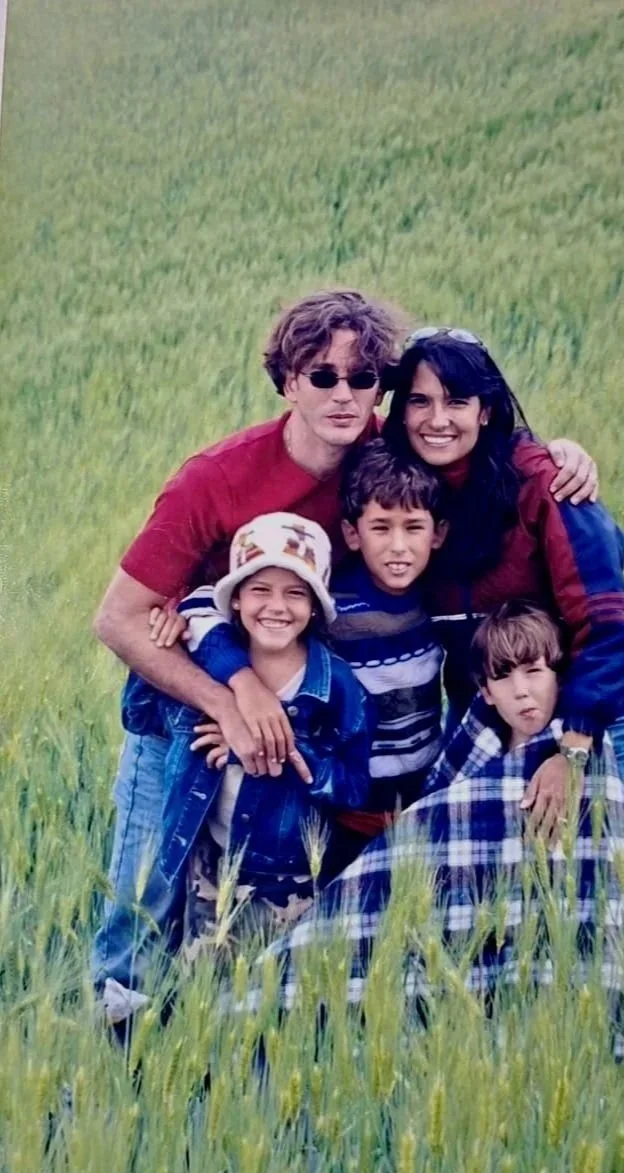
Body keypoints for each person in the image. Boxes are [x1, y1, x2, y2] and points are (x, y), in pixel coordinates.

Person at [92, 288, 597, 1004]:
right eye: (322, 375)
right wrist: (232, 697)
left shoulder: (384, 455)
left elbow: (474, 450)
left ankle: (239, 1030)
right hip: (188, 708)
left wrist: (558, 456)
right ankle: (116, 1036)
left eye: (363, 377)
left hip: (308, 727)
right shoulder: (216, 478)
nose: (343, 394)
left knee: (270, 908)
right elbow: (117, 619)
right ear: (288, 382)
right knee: (149, 891)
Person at [248, 602, 624, 1013]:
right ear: (486, 692)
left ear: (559, 675)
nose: (521, 690)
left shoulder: (584, 760)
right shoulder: (470, 751)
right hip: (466, 931)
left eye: (534, 671)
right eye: (503, 677)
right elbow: (430, 830)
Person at [382, 327, 624, 824]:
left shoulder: (546, 483)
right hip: (479, 718)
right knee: (463, 872)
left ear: (485, 410)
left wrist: (572, 749)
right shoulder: (401, 489)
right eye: (419, 401)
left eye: (456, 401)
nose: (437, 420)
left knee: (614, 869)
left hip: (582, 718)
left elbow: (609, 625)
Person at [181, 439, 449, 854]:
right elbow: (201, 604)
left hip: (419, 797)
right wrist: (240, 679)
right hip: (337, 807)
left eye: (413, 527)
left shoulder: (440, 598)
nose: (398, 546)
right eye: (381, 527)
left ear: (438, 534)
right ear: (352, 534)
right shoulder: (325, 604)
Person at [151, 512, 372, 966]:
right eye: (260, 590)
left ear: (315, 605)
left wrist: (276, 749)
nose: (277, 606)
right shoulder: (206, 668)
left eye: (296, 593)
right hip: (211, 863)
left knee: (280, 985)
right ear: (235, 600)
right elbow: (139, 715)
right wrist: (164, 646)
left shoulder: (336, 687)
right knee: (206, 985)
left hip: (291, 877)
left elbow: (353, 787)